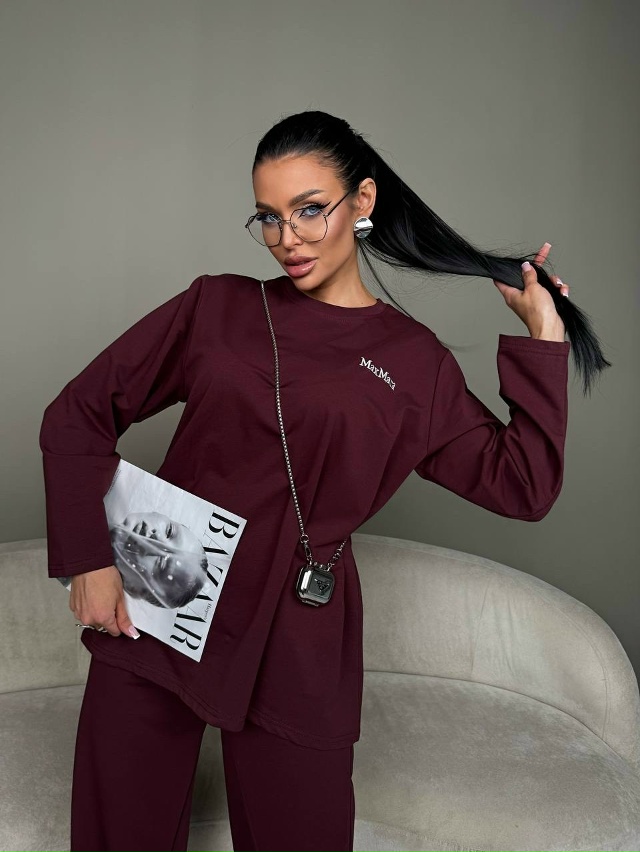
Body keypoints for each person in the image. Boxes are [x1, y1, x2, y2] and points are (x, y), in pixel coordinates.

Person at [38, 109, 609, 852]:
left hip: (298, 624)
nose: (288, 238)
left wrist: (545, 338)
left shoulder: (413, 363)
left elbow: (522, 485)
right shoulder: (219, 307)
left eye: (310, 210)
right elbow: (77, 414)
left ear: (362, 200)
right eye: (269, 218)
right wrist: (90, 560)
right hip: (163, 587)